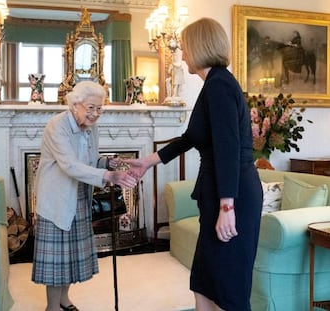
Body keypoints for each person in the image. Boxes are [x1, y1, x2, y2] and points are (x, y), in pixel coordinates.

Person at [126, 18, 263, 311]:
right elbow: (191, 137)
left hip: (231, 194)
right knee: (203, 282)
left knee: (230, 289)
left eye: (185, 47)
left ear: (200, 46)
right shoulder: (213, 84)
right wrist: (147, 162)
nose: (183, 53)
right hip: (218, 192)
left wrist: (228, 207)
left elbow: (227, 149)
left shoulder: (219, 86)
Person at [32, 80, 137, 311]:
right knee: (58, 261)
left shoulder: (90, 128)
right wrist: (109, 176)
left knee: (70, 256)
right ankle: (52, 307)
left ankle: (64, 300)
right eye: (91, 107)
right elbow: (69, 165)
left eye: (99, 108)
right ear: (75, 104)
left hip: (79, 195)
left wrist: (107, 162)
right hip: (57, 199)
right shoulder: (56, 126)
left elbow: (88, 162)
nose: (95, 113)